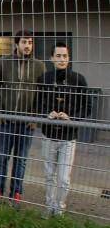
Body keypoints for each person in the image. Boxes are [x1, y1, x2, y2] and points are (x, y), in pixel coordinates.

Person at [0, 30, 45, 208]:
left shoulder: (39, 66)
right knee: (2, 158)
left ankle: (16, 194)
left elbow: (43, 94)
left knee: (21, 159)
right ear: (16, 44)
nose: (27, 46)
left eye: (30, 42)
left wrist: (35, 117)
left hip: (27, 122)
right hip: (6, 120)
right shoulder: (3, 63)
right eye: (24, 42)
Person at [37, 43, 91, 216]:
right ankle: (49, 207)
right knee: (49, 176)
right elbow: (36, 103)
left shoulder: (79, 80)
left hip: (69, 137)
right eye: (58, 56)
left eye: (65, 56)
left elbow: (87, 106)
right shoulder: (44, 78)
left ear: (69, 58)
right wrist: (47, 113)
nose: (61, 59)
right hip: (48, 135)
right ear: (52, 58)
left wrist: (72, 118)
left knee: (63, 179)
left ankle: (59, 208)